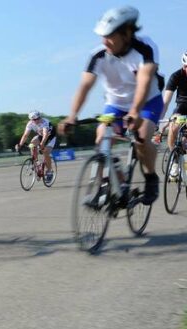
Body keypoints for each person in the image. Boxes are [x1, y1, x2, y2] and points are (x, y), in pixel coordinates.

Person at [58, 6, 163, 205]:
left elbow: (144, 81)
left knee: (141, 138)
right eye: (102, 36)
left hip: (147, 101)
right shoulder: (98, 55)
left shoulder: (145, 48)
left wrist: (135, 112)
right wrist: (72, 115)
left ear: (127, 33)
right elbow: (85, 86)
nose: (104, 41)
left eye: (110, 36)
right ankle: (110, 186)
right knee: (101, 141)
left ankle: (151, 178)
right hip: (115, 103)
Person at [16, 110, 56, 184]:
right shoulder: (30, 123)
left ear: (40, 117)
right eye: (34, 120)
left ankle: (49, 171)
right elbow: (25, 135)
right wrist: (20, 145)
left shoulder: (44, 122)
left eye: (38, 118)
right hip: (41, 136)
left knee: (45, 152)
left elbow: (45, 135)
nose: (36, 121)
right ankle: (36, 162)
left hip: (50, 137)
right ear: (31, 120)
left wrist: (42, 144)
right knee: (32, 144)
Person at [162, 52, 187, 152]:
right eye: (186, 67)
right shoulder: (176, 76)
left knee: (184, 142)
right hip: (181, 106)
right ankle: (173, 155)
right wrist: (161, 119)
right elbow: (166, 102)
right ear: (184, 65)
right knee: (173, 125)